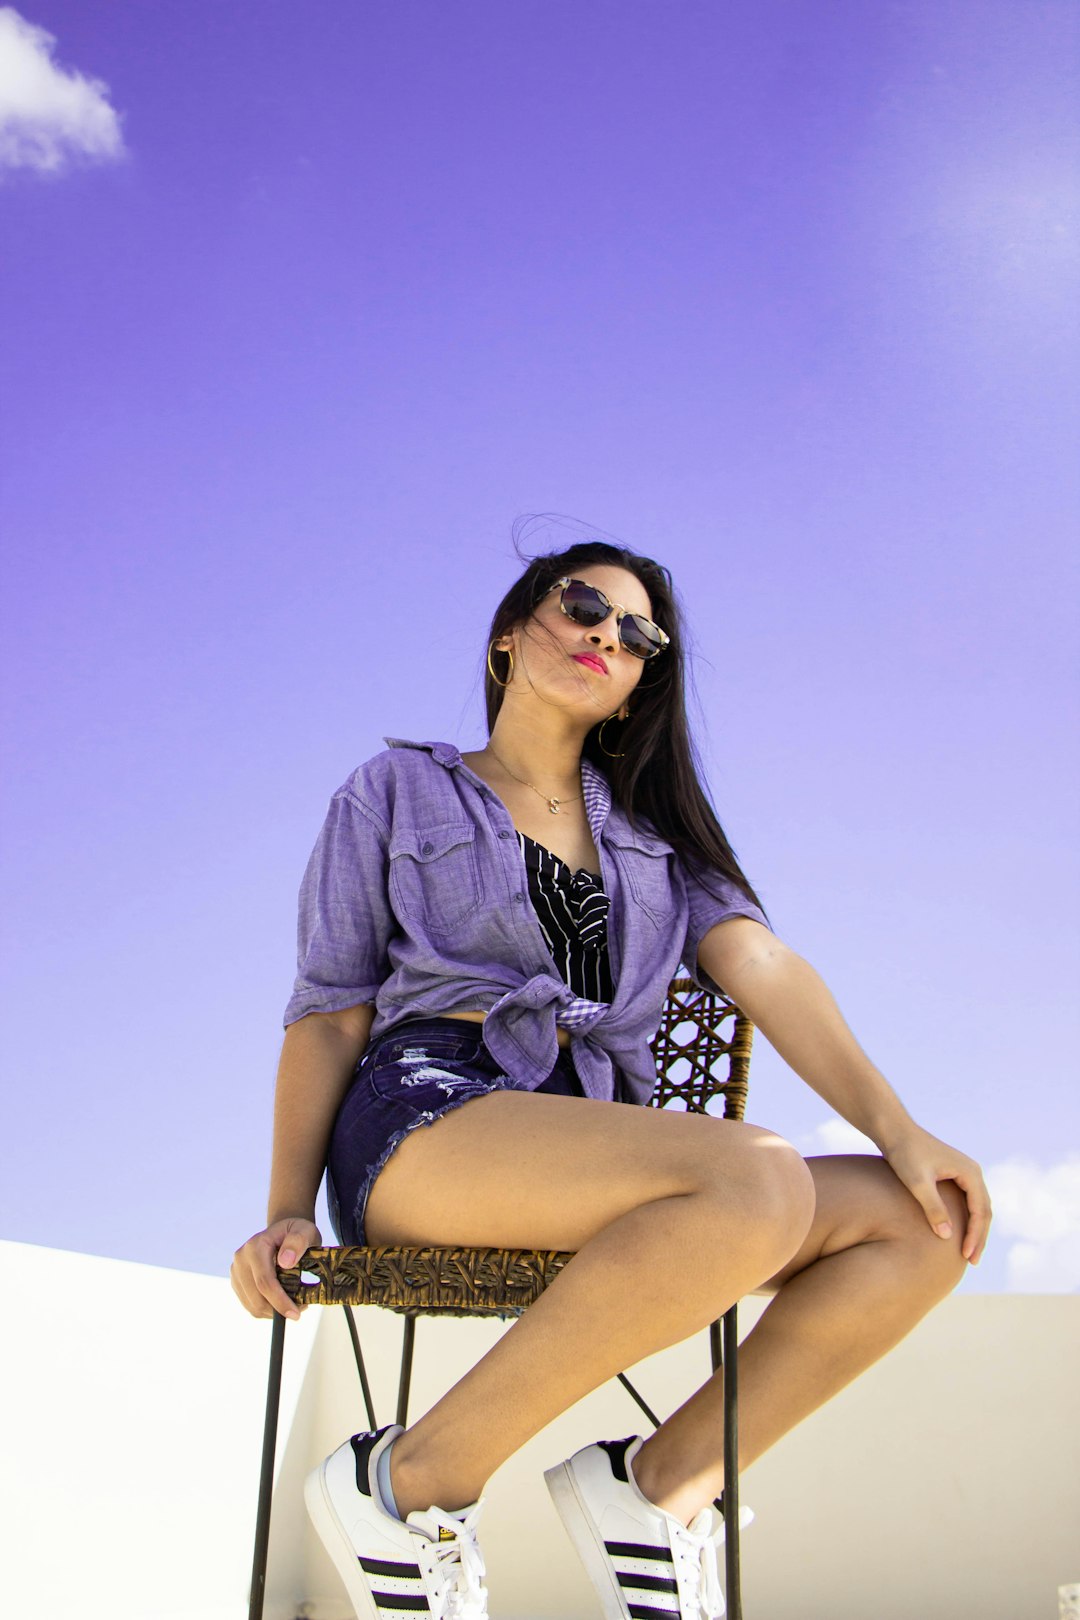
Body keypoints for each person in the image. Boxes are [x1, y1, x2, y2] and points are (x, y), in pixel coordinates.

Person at [231, 540, 992, 1620]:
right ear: (509, 633)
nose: (607, 634)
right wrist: (282, 1210)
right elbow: (329, 1009)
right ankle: (414, 1484)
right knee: (759, 1178)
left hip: (603, 1145)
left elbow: (765, 969)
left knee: (929, 1224)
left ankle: (661, 1490)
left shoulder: (662, 843)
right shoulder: (397, 790)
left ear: (639, 688)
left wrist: (901, 1133)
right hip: (429, 1120)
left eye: (637, 634)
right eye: (584, 605)